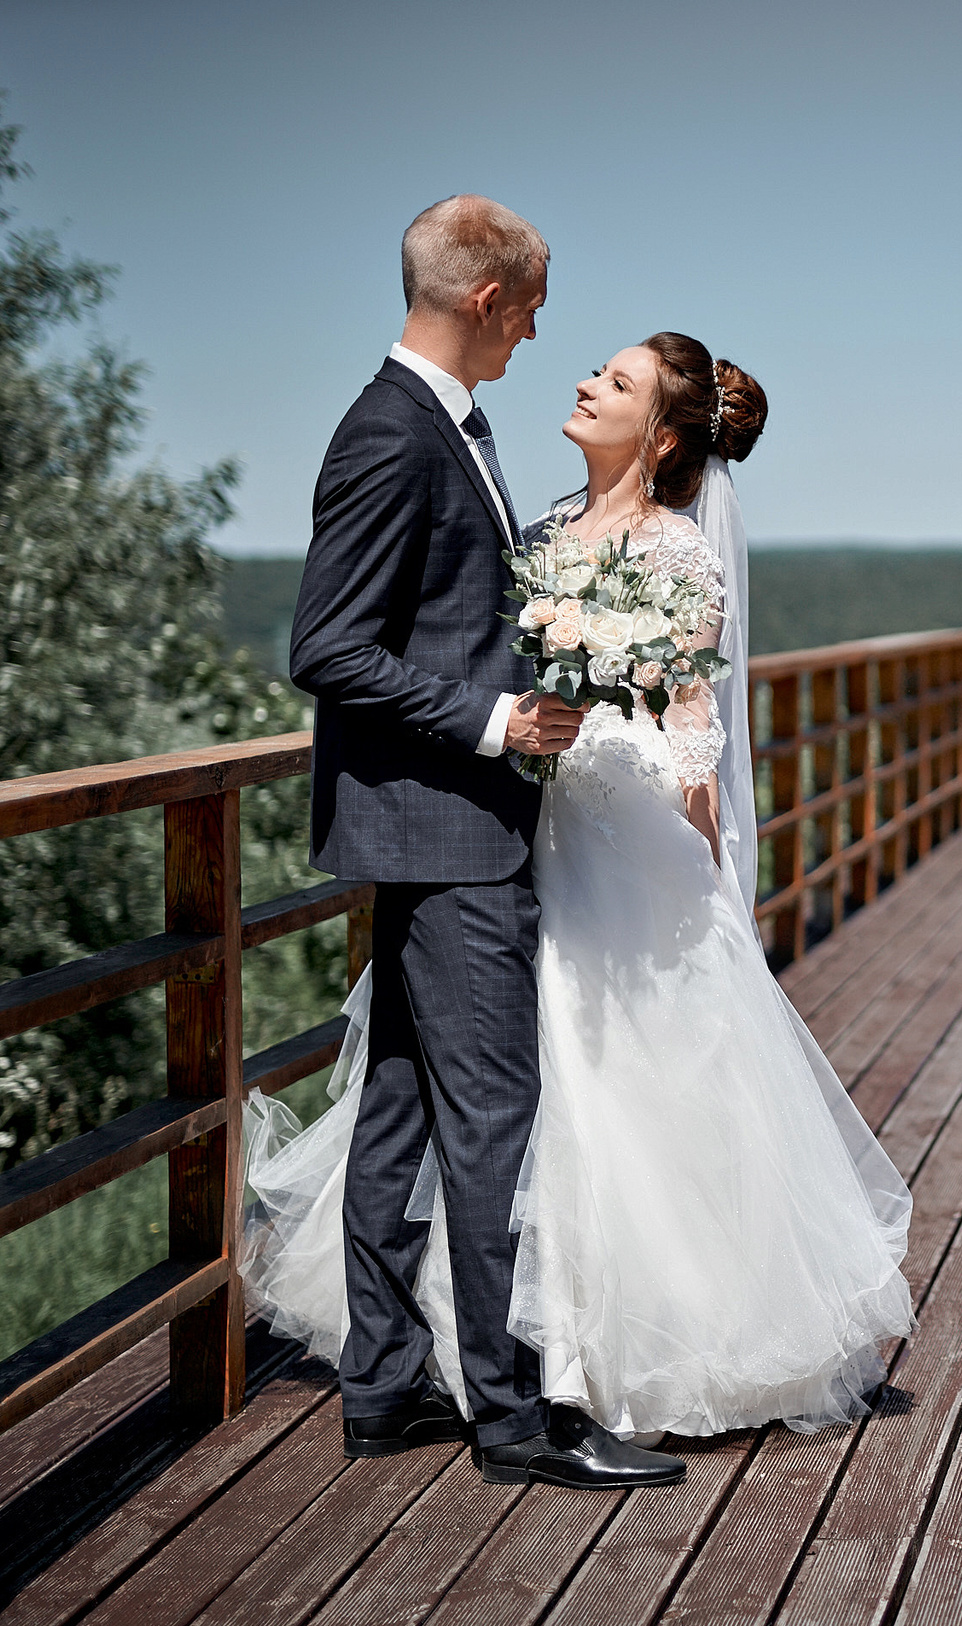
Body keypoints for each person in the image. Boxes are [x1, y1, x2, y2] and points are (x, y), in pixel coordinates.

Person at [257, 304, 916, 1455]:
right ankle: (488, 1365)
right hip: (501, 818)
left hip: (607, 830)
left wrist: (661, 783)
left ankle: (599, 1352)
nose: (587, 387)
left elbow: (695, 719)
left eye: (613, 382)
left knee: (589, 1089)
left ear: (661, 436)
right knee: (481, 1098)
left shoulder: (679, 551)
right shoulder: (547, 518)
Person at [283, 195, 686, 1489]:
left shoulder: (434, 422)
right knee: (493, 1117)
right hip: (452, 829)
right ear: (485, 301)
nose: (542, 332)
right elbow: (328, 646)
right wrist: (495, 712)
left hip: (436, 822)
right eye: (536, 306)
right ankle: (514, 1416)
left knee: (398, 1106)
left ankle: (383, 1383)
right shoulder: (394, 435)